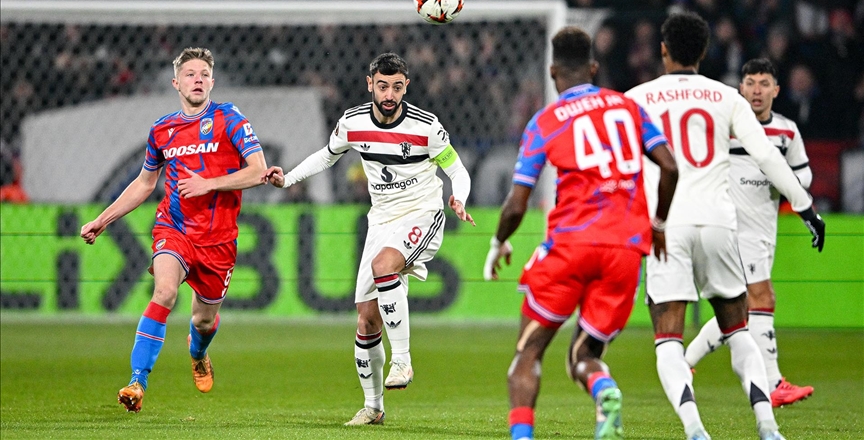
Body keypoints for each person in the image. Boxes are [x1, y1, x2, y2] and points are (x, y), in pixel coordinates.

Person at [624, 13, 825, 440]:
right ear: (703, 51)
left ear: (663, 50)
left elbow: (620, 166)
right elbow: (768, 156)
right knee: (739, 329)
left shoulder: (636, 98)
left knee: (668, 339)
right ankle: (767, 426)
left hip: (667, 227)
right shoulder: (725, 96)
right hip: (719, 223)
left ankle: (695, 429)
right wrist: (806, 208)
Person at [483, 26, 679, 440]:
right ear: (593, 68)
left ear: (553, 72)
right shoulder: (627, 107)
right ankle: (603, 389)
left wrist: (499, 242)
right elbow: (670, 166)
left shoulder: (545, 122)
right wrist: (658, 224)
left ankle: (522, 436)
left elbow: (517, 203)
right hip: (625, 251)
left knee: (527, 353)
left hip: (570, 247)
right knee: (583, 354)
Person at [263, 52, 474, 426]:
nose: (389, 94)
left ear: (406, 87)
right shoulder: (353, 122)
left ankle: (403, 360)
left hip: (422, 213)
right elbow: (327, 156)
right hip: (381, 221)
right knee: (366, 319)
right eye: (382, 86)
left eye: (397, 87)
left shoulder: (427, 127)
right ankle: (373, 408)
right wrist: (288, 179)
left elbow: (457, 170)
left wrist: (459, 196)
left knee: (384, 266)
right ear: (369, 84)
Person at [80, 47, 267, 413]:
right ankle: (137, 382)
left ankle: (197, 352)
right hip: (175, 227)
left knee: (203, 320)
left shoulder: (229, 119)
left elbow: (258, 171)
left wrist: (209, 183)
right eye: (190, 74)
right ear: (176, 83)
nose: (197, 80)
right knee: (164, 291)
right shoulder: (162, 130)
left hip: (218, 240)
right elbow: (144, 183)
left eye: (204, 74)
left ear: (212, 82)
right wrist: (103, 219)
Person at [684, 58, 814, 407]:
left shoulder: (786, 131)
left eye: (764, 83)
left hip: (763, 229)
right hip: (731, 228)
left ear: (776, 90)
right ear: (740, 88)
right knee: (762, 297)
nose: (757, 90)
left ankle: (683, 363)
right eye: (751, 83)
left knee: (739, 309)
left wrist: (786, 181)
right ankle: (773, 383)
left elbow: (804, 174)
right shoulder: (725, 128)